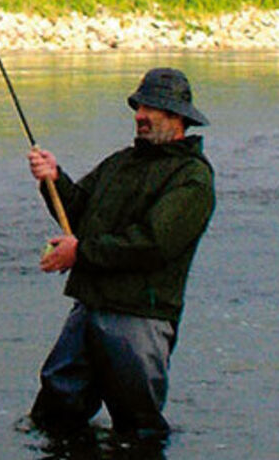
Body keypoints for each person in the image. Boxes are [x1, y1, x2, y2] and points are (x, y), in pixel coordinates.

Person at [26, 67, 216, 440]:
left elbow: (153, 244)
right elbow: (77, 211)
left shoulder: (192, 178)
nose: (140, 115)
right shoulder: (120, 163)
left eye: (151, 108)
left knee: (137, 429)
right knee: (54, 414)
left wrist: (79, 254)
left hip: (140, 319)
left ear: (177, 117)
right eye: (139, 106)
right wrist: (52, 178)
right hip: (89, 308)